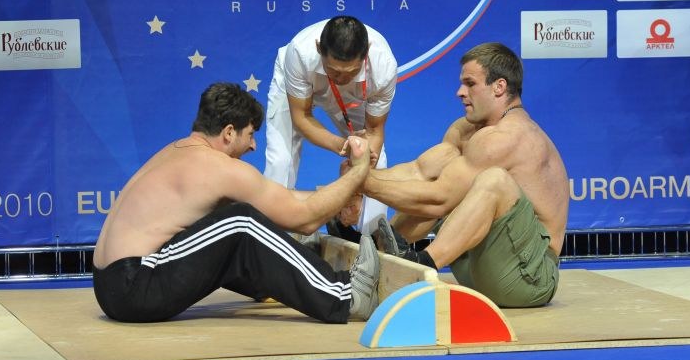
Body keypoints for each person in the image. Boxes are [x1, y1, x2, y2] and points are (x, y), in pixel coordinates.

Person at [92, 83, 380, 324]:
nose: (253, 145)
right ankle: (345, 295)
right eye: (250, 134)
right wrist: (358, 171)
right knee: (241, 222)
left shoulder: (177, 152)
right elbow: (304, 219)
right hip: (135, 285)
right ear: (229, 132)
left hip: (111, 286)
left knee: (228, 222)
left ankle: (284, 271)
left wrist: (340, 199)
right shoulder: (216, 168)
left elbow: (282, 199)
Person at [363, 42, 569, 308]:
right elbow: (419, 171)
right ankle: (374, 250)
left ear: (499, 87)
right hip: (479, 268)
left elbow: (439, 200)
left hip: (531, 278)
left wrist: (365, 184)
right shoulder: (467, 130)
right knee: (452, 175)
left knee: (493, 181)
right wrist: (361, 176)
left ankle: (422, 264)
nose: (460, 92)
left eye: (470, 84)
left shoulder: (512, 136)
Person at [264, 16, 398, 231]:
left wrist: (356, 189)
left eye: (351, 71)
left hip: (355, 96)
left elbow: (374, 130)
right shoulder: (300, 52)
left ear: (366, 53)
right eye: (334, 70)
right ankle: (272, 233)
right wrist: (343, 146)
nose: (341, 79)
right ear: (319, 48)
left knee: (376, 159)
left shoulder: (383, 67)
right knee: (280, 160)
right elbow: (301, 117)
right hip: (299, 81)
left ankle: (370, 238)